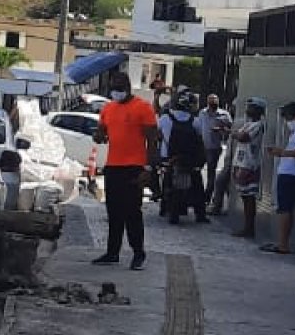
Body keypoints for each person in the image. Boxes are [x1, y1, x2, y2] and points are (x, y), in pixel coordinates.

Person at [91, 71, 159, 270]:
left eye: (119, 88)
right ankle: (112, 252)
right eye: (113, 89)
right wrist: (98, 135)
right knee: (113, 212)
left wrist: (148, 168)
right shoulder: (108, 108)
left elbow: (153, 140)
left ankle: (138, 253)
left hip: (135, 167)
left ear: (128, 87)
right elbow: (102, 132)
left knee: (132, 212)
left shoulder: (143, 108)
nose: (116, 92)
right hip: (113, 166)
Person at [261, 102, 295, 254]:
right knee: (284, 208)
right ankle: (281, 242)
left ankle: (283, 244)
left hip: (294, 175)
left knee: (285, 209)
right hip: (289, 174)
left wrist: (283, 152)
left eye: (290, 118)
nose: (288, 122)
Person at [158, 90, 209, 224]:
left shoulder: (164, 118)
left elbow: (157, 135)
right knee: (197, 185)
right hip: (188, 159)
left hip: (168, 158)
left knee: (166, 180)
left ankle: (164, 206)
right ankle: (200, 214)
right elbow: (200, 140)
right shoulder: (195, 121)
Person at [230, 98, 267, 238]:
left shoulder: (258, 125)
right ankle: (246, 227)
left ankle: (249, 228)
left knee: (249, 196)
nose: (248, 109)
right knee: (244, 196)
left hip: (250, 164)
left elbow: (243, 137)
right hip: (240, 162)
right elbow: (237, 134)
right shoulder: (248, 124)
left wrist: (233, 133)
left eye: (252, 107)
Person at [194, 94, 232, 205]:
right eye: (211, 101)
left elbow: (231, 129)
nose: (213, 104)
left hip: (214, 148)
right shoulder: (202, 113)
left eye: (215, 102)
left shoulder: (224, 114)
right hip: (202, 147)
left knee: (211, 173)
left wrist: (221, 129)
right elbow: (198, 127)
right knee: (196, 170)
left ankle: (207, 197)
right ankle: (197, 194)